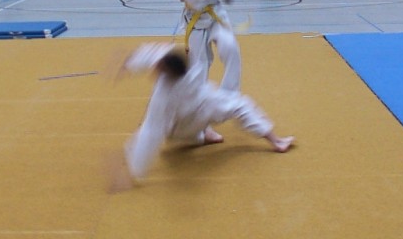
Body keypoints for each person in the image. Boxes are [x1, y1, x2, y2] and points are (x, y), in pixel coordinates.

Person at [115, 42, 294, 186]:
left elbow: (151, 131)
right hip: (206, 102)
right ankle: (276, 141)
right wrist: (129, 63)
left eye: (158, 68)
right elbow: (156, 53)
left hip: (188, 120)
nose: (155, 69)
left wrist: (134, 168)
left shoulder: (164, 94)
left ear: (166, 72)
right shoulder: (187, 62)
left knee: (165, 132)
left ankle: (204, 134)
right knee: (241, 104)